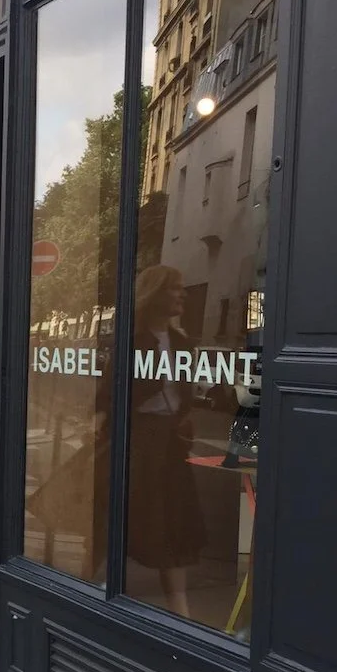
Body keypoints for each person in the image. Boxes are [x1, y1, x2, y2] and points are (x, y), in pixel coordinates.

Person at [126, 265, 206, 619]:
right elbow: (110, 396)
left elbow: (184, 394)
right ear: (156, 293)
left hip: (171, 444)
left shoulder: (183, 342)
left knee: (173, 522)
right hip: (139, 441)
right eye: (175, 289)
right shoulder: (134, 340)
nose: (183, 295)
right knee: (130, 517)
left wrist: (184, 418)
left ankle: (179, 607)